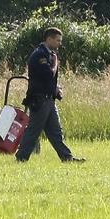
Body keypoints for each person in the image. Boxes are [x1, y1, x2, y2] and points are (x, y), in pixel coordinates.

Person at [16, 27, 85, 162]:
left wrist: (55, 88)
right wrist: (55, 61)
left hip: (48, 99)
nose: (60, 43)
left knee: (55, 132)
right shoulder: (40, 54)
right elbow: (48, 74)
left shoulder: (48, 54)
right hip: (40, 99)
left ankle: (67, 157)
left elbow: (46, 79)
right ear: (49, 39)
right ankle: (21, 157)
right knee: (34, 130)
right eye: (58, 40)